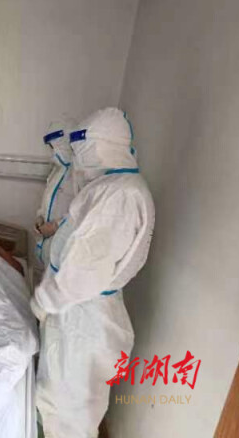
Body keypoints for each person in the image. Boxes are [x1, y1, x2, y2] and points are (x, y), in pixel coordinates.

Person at [32, 107, 155, 438]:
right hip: (76, 310)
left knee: (69, 406)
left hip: (83, 315)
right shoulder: (109, 187)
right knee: (60, 395)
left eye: (83, 149)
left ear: (103, 145)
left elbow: (86, 266)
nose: (80, 159)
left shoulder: (121, 195)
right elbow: (76, 231)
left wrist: (44, 301)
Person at [34, 121, 76, 271]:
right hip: (46, 240)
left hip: (64, 241)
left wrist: (56, 225)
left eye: (54, 147)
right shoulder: (57, 171)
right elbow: (48, 199)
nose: (52, 152)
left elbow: (83, 210)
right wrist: (40, 216)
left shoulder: (79, 175)